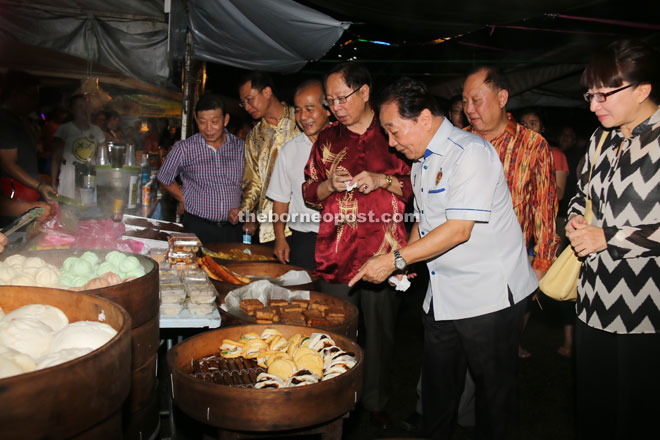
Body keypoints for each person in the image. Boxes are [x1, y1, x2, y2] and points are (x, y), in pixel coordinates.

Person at [351, 77, 536, 439]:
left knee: (494, 401)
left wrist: (396, 260)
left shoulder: (470, 152)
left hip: (489, 298)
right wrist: (396, 256)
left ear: (423, 119)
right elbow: (426, 221)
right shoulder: (421, 162)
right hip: (444, 296)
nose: (391, 142)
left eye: (393, 130)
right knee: (437, 394)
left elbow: (458, 229)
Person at [302, 62, 412, 429]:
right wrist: (329, 185)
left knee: (381, 334)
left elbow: (414, 189)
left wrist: (383, 179)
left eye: (341, 98)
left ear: (364, 92)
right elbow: (308, 191)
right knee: (334, 332)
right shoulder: (328, 140)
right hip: (337, 251)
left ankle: (375, 403)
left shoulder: (395, 134)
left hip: (384, 253)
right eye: (330, 100)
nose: (335, 107)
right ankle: (332, 402)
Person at [566, 39, 660, 439]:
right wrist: (573, 220)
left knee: (640, 412)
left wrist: (610, 238)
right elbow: (579, 195)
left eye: (605, 94)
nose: (593, 105)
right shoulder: (601, 139)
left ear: (642, 89)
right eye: (590, 94)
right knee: (595, 407)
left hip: (648, 308)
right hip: (594, 301)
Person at [463, 66, 559, 359]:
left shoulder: (532, 145)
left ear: (502, 97)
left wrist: (541, 267)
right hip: (460, 266)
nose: (468, 109)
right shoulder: (459, 141)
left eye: (476, 100)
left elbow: (544, 209)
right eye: (464, 101)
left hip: (506, 271)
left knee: (496, 361)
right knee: (458, 356)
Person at [519, 107, 574, 357]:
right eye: (525, 123)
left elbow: (560, 193)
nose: (530, 127)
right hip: (519, 228)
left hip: (550, 225)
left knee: (556, 281)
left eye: (534, 122)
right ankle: (513, 341)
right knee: (524, 288)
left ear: (542, 127)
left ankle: (570, 341)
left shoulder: (555, 154)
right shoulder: (516, 154)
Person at [157, 93, 244, 244]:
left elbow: (252, 185)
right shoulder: (185, 148)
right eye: (202, 122)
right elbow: (164, 176)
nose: (208, 128)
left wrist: (248, 212)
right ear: (196, 121)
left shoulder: (242, 148)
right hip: (197, 227)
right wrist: (184, 198)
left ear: (226, 120)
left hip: (233, 229)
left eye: (215, 121)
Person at [266, 80, 330, 270]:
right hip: (303, 241)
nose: (303, 117)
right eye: (298, 110)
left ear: (328, 109)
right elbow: (280, 199)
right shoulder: (289, 151)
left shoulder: (347, 144)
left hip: (342, 240)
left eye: (310, 109)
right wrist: (280, 238)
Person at [228, 72, 299, 243]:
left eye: (249, 99)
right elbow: (254, 182)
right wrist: (243, 210)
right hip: (271, 225)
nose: (246, 106)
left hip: (303, 220)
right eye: (243, 102)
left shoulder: (300, 120)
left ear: (267, 92)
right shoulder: (254, 137)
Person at [0, 71, 56, 203]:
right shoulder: (5, 122)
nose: (35, 101)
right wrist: (39, 186)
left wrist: (36, 177)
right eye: (31, 96)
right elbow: (7, 164)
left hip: (24, 193)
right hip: (14, 196)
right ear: (15, 94)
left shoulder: (18, 120)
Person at [51, 94, 105, 199]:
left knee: (88, 208)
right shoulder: (65, 129)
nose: (83, 110)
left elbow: (103, 159)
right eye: (79, 106)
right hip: (69, 175)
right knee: (68, 208)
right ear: (72, 110)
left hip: (90, 176)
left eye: (86, 106)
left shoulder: (97, 131)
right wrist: (53, 183)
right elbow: (56, 158)